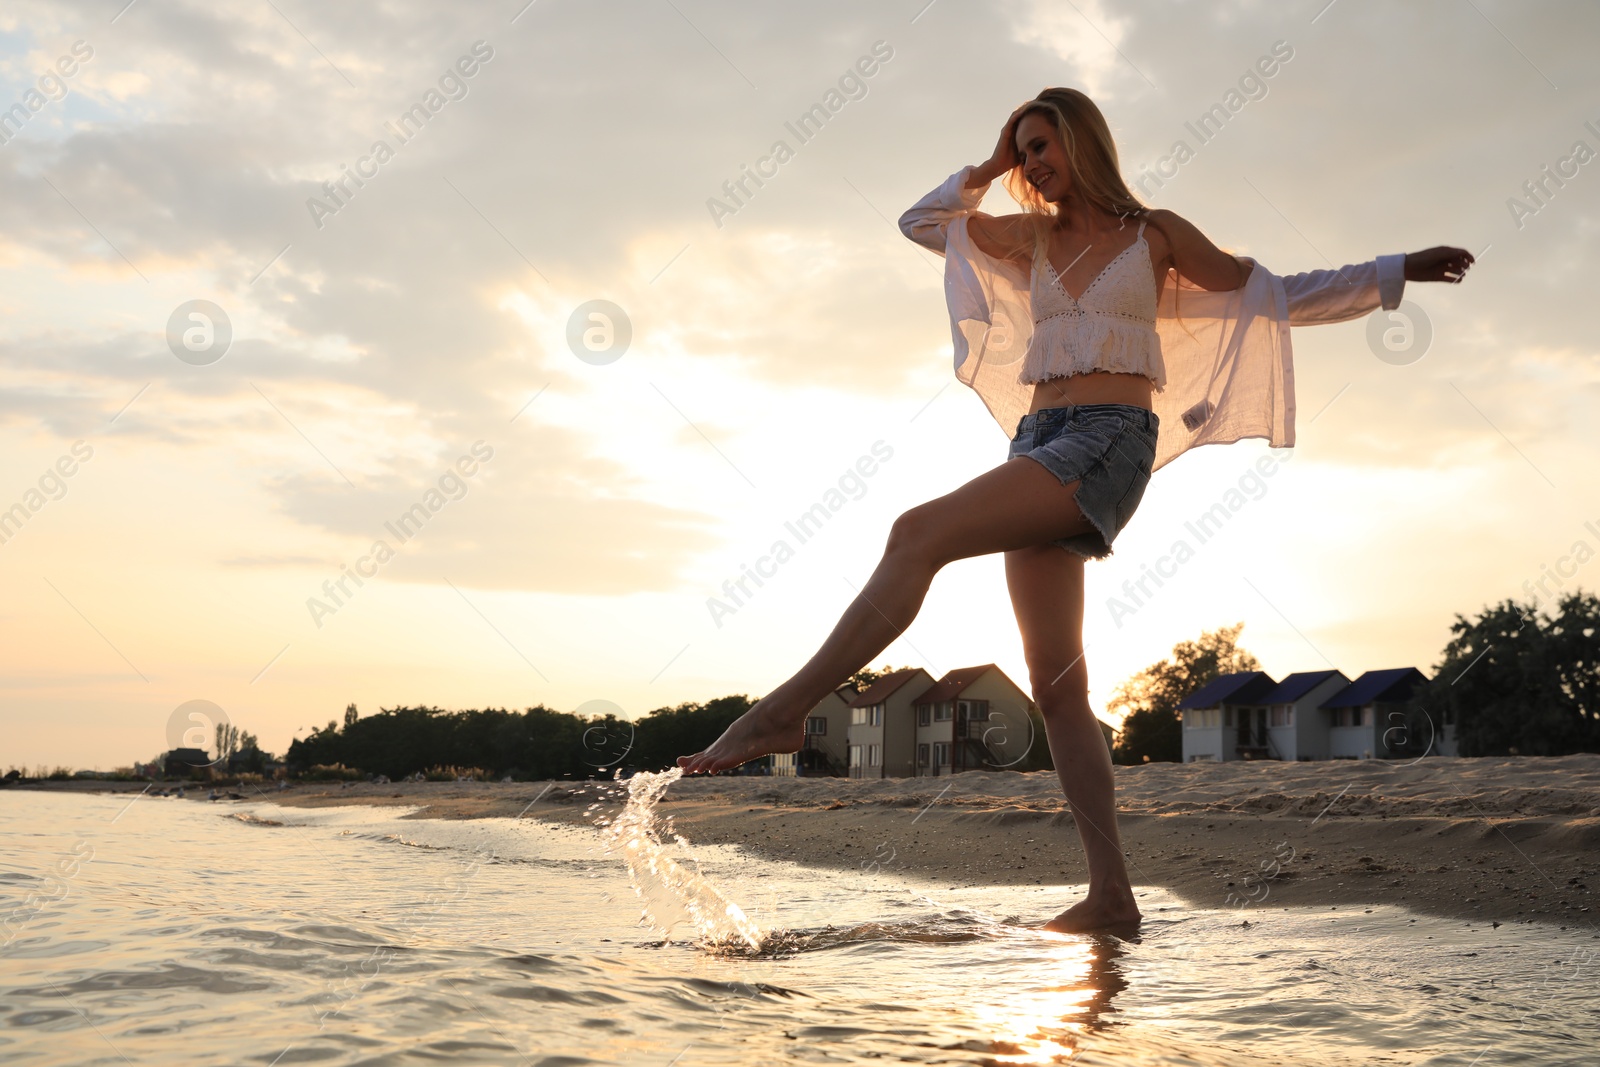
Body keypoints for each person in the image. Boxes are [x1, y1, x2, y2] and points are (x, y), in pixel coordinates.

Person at [677, 88, 1472, 932]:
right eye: (1023, 152)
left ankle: (784, 712)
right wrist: (984, 167)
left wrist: (1394, 273)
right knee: (1059, 687)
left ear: (1082, 140)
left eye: (1042, 145)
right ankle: (1112, 897)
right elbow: (922, 223)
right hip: (1038, 443)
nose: (1033, 164)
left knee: (916, 533)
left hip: (1108, 438)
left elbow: (1269, 293)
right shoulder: (1034, 238)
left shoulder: (1153, 234)